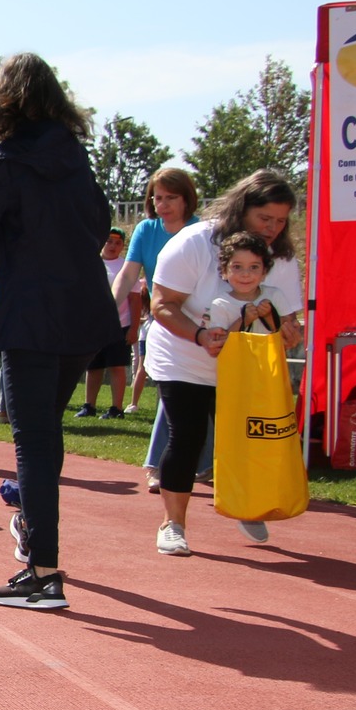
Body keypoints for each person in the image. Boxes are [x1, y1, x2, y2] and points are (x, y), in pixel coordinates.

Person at [0, 52, 120, 612]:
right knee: (45, 433)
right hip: (85, 314)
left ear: (2, 103)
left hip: (28, 317)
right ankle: (33, 532)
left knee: (35, 441)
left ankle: (43, 572)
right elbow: (99, 227)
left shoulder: (5, 166)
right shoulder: (77, 161)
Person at [145, 169, 306, 556]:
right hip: (184, 357)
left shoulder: (280, 257)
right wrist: (201, 336)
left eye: (280, 221)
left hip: (242, 367)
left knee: (246, 439)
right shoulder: (196, 242)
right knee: (188, 436)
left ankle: (246, 505)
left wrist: (290, 331)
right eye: (264, 218)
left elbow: (287, 318)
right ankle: (173, 524)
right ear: (242, 208)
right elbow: (162, 304)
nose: (272, 228)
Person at [126, 168, 200, 487]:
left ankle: (205, 463)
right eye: (158, 198)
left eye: (172, 197)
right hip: (165, 318)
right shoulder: (146, 230)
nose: (163, 204)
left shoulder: (201, 231)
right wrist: (108, 307)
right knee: (172, 390)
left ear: (187, 200)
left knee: (201, 397)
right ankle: (156, 464)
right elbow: (128, 276)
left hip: (202, 319)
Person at [77, 227, 140, 418]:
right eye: (109, 241)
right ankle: (89, 405)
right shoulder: (91, 262)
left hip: (119, 325)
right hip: (94, 325)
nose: (113, 246)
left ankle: (116, 408)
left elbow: (135, 300)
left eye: (118, 243)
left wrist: (134, 328)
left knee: (116, 366)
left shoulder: (126, 266)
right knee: (93, 366)